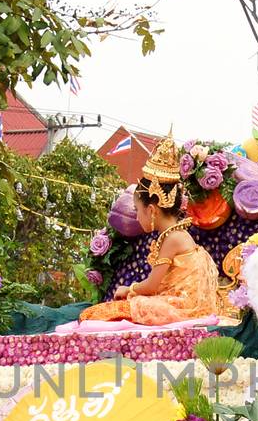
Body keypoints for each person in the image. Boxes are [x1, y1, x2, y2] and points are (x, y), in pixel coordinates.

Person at [78, 137, 221, 325]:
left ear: (152, 210)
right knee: (102, 314)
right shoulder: (176, 235)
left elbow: (152, 286)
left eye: (137, 210)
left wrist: (128, 289)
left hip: (179, 308)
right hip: (178, 304)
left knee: (96, 314)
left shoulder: (173, 238)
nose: (136, 218)